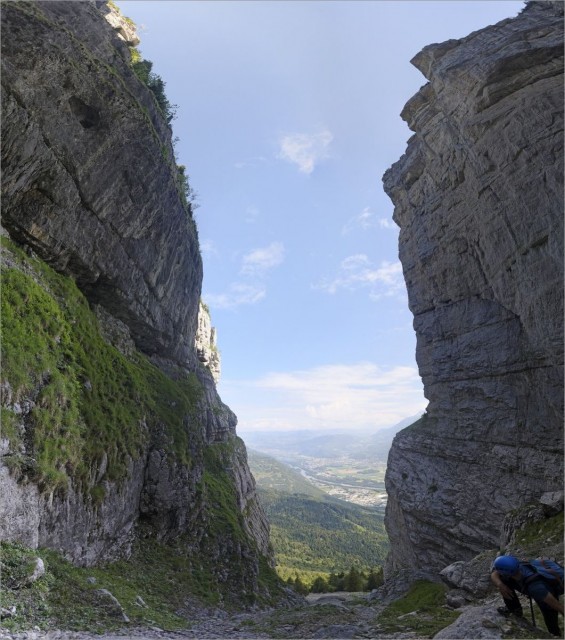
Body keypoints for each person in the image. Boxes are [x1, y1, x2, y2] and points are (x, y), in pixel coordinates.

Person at [491, 555, 564, 637]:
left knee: (549, 615)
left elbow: (560, 607)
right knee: (503, 580)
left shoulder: (535, 588)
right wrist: (500, 585)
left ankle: (555, 635)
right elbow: (494, 573)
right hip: (536, 585)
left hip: (545, 591)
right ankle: (515, 610)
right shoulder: (516, 565)